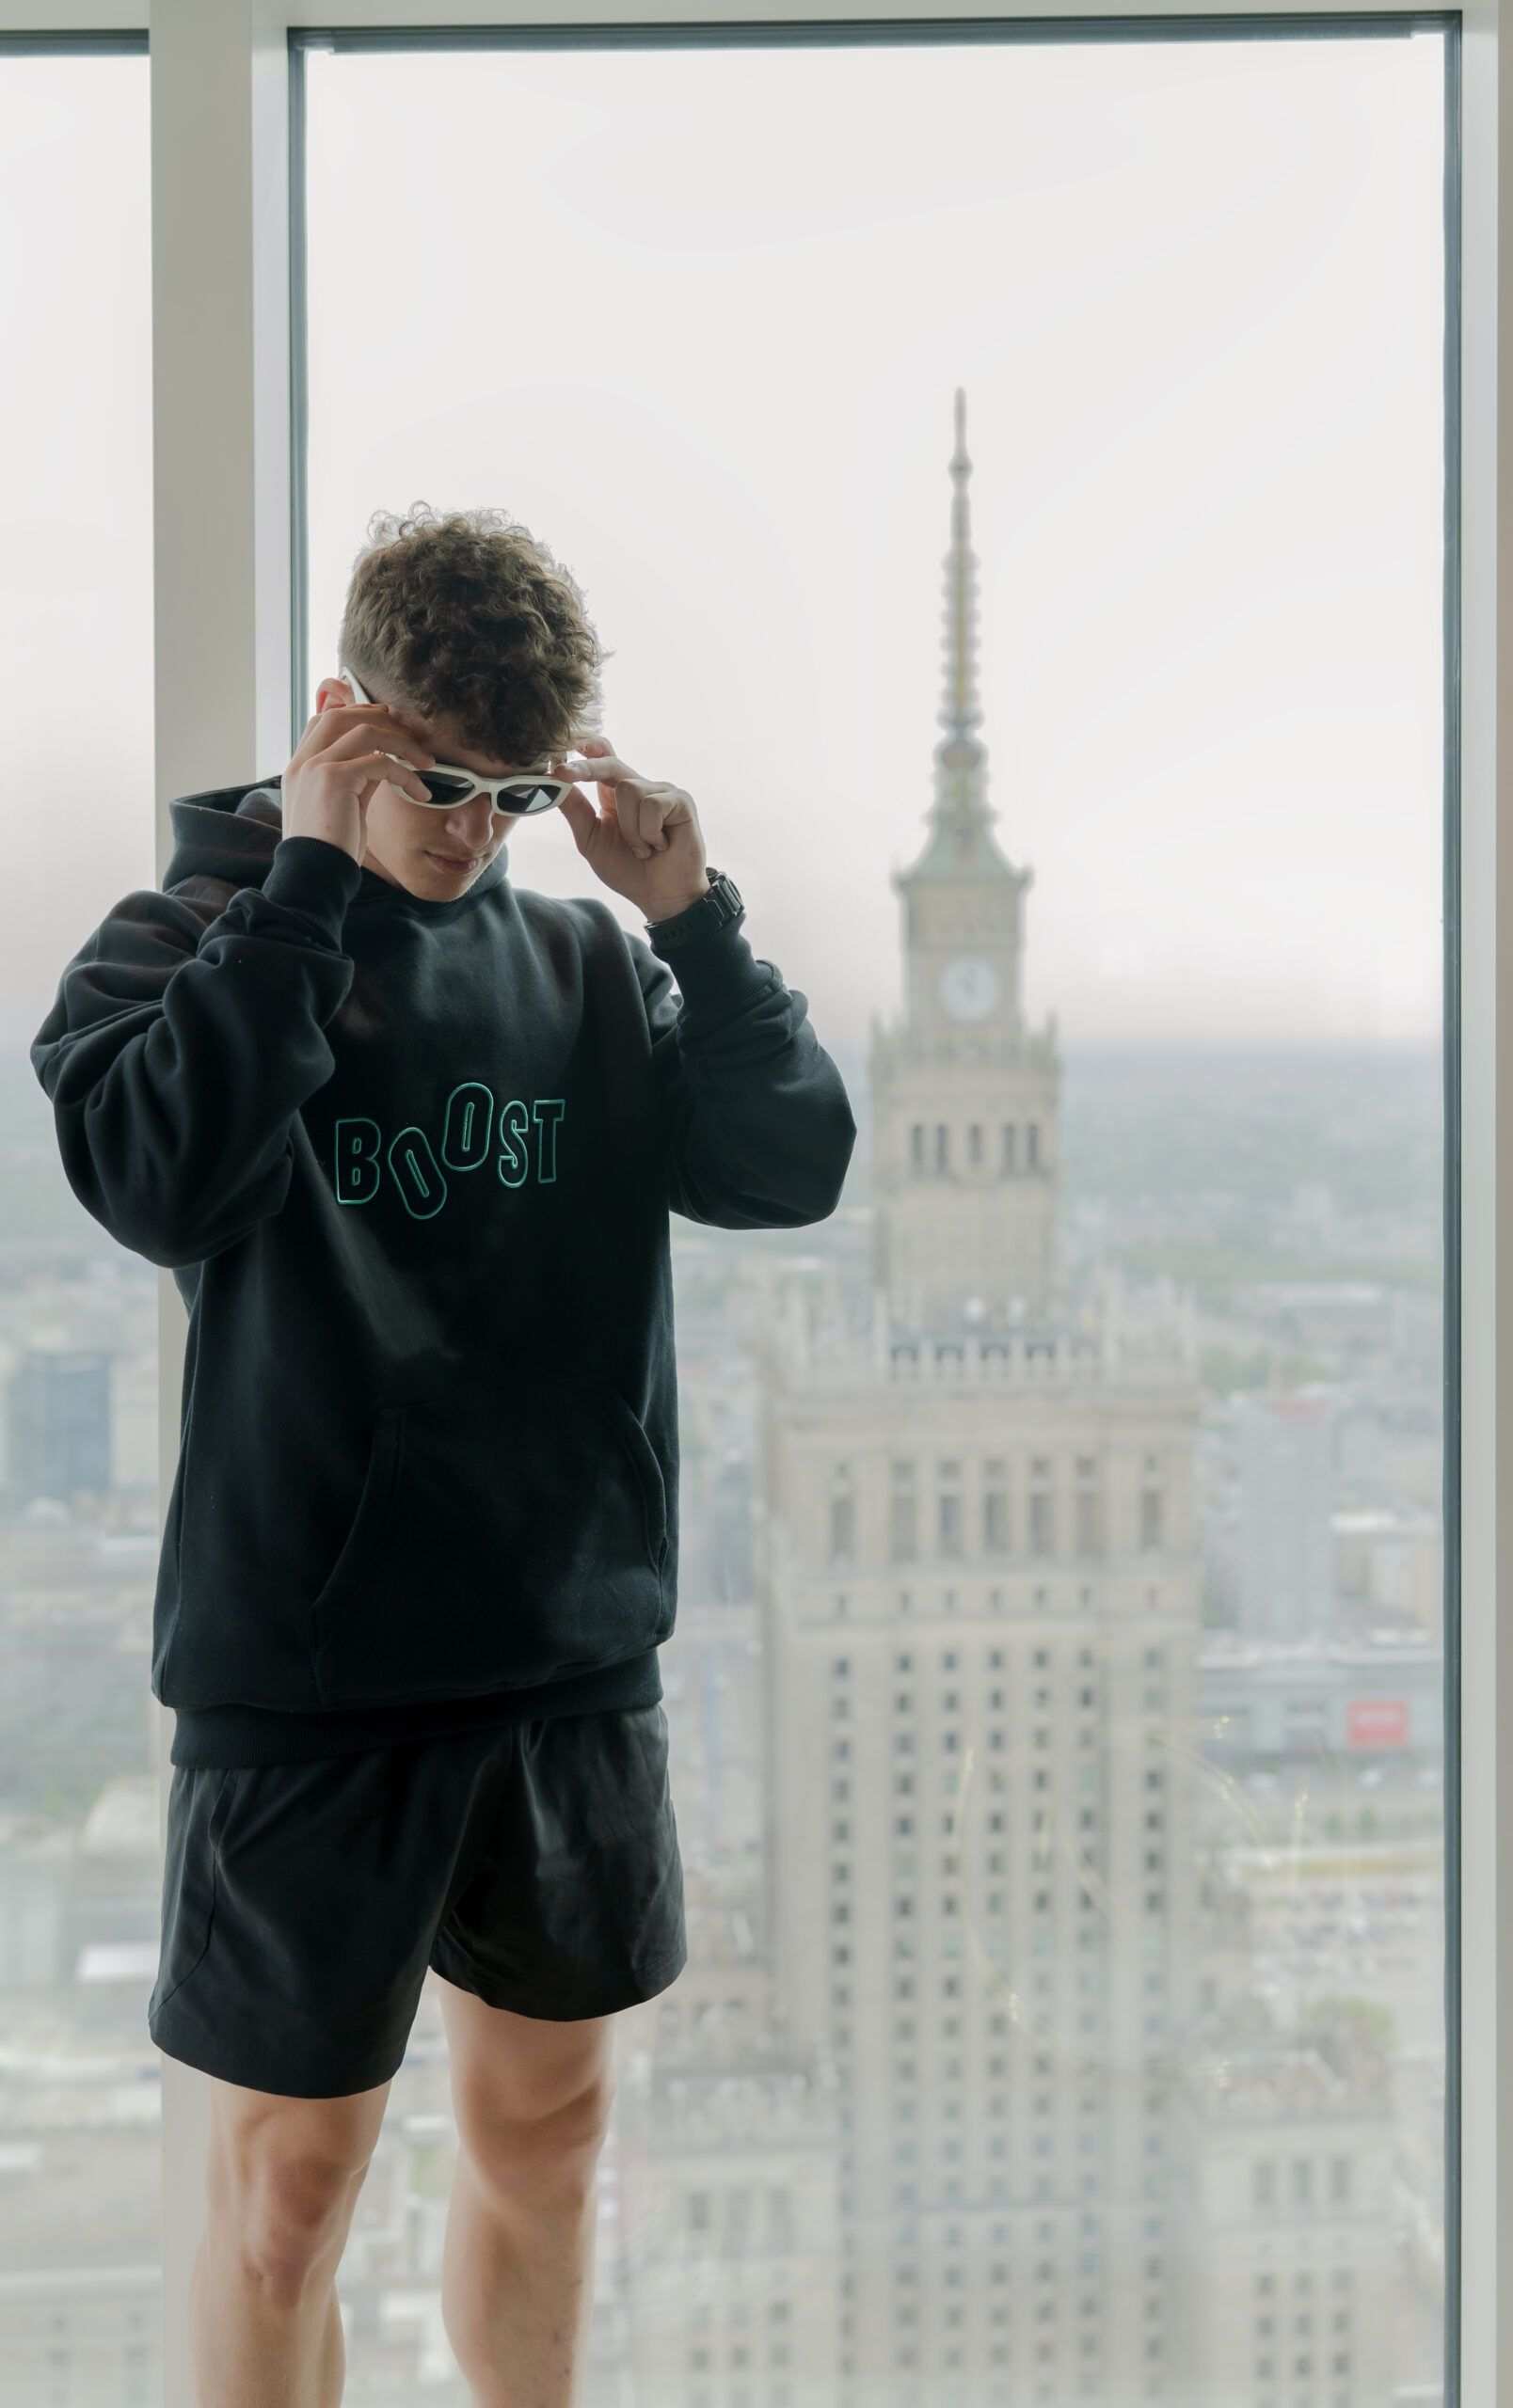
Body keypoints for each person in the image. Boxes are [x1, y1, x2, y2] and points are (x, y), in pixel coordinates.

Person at [32, 505, 855, 2408]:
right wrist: (303, 889)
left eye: (512, 794)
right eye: (439, 783)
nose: (476, 833)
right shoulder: (184, 944)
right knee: (286, 2200)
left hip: (565, 1655)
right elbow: (158, 1182)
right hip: (310, 1679)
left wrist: (694, 920)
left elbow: (791, 1162)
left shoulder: (592, 970)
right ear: (344, 720)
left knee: (552, 2139)